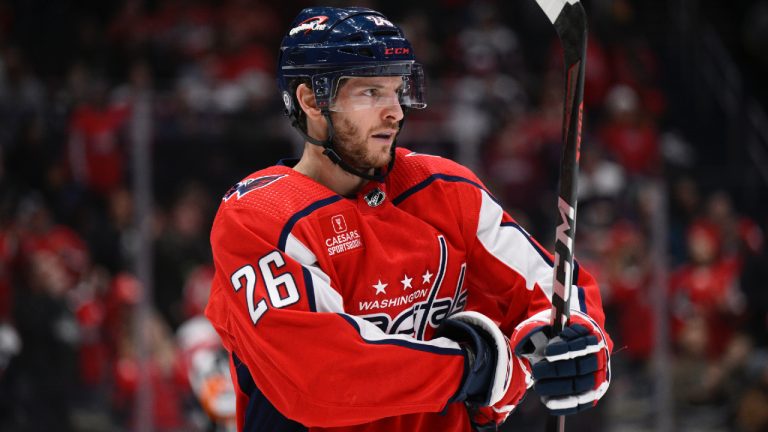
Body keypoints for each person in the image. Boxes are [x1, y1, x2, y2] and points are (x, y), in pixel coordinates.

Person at [205, 7, 612, 431]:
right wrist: (475, 368)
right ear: (311, 100)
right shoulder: (258, 218)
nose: (395, 112)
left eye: (397, 90)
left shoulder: (444, 189)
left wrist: (578, 344)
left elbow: (554, 287)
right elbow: (324, 375)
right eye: (370, 92)